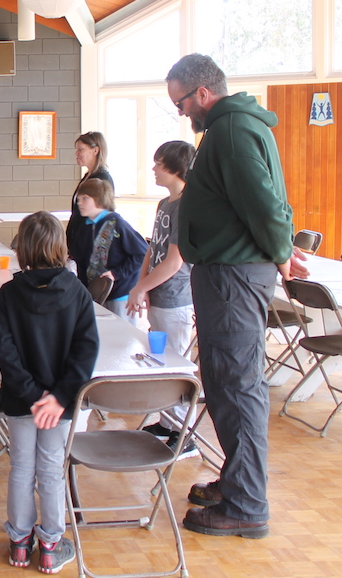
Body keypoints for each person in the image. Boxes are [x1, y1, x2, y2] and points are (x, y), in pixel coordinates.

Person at [166, 53, 306, 538]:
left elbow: (265, 204)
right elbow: (265, 202)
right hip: (228, 272)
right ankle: (237, 480)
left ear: (203, 93)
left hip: (232, 275)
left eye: (182, 102)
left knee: (235, 383)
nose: (182, 113)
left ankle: (247, 504)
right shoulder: (232, 128)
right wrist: (281, 250)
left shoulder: (230, 131)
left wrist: (282, 251)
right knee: (225, 380)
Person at [0, 211, 98, 575]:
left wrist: (34, 395)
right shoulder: (78, 292)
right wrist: (56, 397)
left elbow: (6, 355)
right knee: (52, 469)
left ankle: (20, 542)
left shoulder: (7, 294)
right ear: (60, 248)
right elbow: (86, 351)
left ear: (22, 249)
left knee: (22, 467)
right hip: (60, 404)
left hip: (22, 401)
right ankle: (51, 545)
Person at [126, 141, 199, 458]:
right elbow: (152, 251)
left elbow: (174, 262)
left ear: (175, 167)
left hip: (176, 299)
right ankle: (168, 424)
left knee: (177, 368)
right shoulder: (164, 204)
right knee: (162, 363)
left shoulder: (188, 205)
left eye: (159, 163)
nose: (153, 168)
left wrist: (141, 288)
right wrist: (141, 284)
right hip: (158, 295)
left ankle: (185, 435)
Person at [70, 178, 147, 323]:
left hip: (119, 293)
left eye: (85, 198)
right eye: (78, 199)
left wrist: (116, 273)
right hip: (95, 293)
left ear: (99, 199)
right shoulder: (85, 226)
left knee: (122, 336)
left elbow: (142, 254)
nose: (79, 203)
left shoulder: (118, 225)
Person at [66, 132, 114, 259]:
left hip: (89, 247)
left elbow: (101, 217)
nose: (77, 153)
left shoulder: (102, 179)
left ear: (95, 150)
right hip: (79, 245)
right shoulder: (87, 177)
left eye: (81, 149)